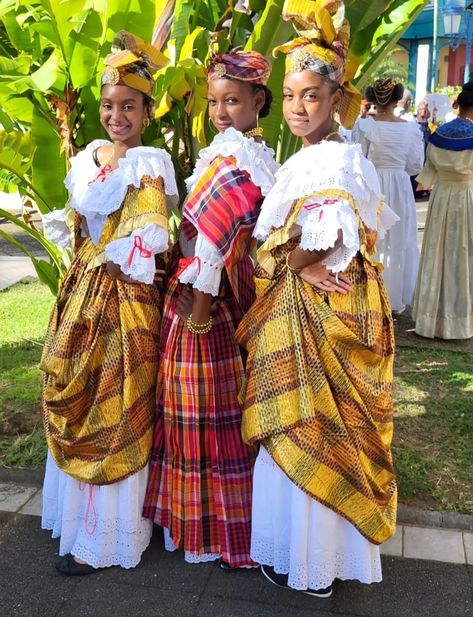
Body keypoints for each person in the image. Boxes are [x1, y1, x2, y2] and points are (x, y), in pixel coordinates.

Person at [236, 0, 398, 598]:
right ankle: (310, 554)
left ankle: (313, 560)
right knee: (305, 426)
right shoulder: (317, 157)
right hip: (315, 305)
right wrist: (296, 262)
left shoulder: (333, 157)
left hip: (320, 315)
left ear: (337, 100)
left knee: (309, 424)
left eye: (311, 95)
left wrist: (287, 265)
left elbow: (322, 236)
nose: (299, 107)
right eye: (290, 96)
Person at [40, 31, 178, 575]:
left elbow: (146, 237)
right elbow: (82, 229)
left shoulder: (149, 162)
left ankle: (102, 540)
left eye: (129, 106)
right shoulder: (88, 158)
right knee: (70, 387)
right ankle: (75, 521)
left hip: (125, 302)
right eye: (108, 105)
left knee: (115, 405)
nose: (116, 116)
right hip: (83, 293)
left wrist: (114, 258)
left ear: (147, 112)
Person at [142, 50, 280, 568]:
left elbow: (212, 248)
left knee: (201, 418)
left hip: (205, 310)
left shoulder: (235, 161)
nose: (222, 110)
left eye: (234, 100)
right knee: (206, 419)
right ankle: (211, 526)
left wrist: (197, 313)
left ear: (257, 101)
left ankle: (215, 533)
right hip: (218, 304)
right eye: (216, 100)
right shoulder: (241, 156)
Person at [352, 78, 424, 313]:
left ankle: (369, 293)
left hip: (372, 184)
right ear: (397, 99)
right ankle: (393, 295)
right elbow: (415, 165)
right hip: (400, 185)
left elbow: (358, 160)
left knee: (373, 239)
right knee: (398, 239)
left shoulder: (365, 126)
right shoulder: (412, 128)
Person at [413, 81, 473, 339]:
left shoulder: (439, 135)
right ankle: (460, 320)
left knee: (438, 254)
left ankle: (433, 318)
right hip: (468, 195)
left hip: (441, 196)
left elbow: (428, 175)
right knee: (464, 254)